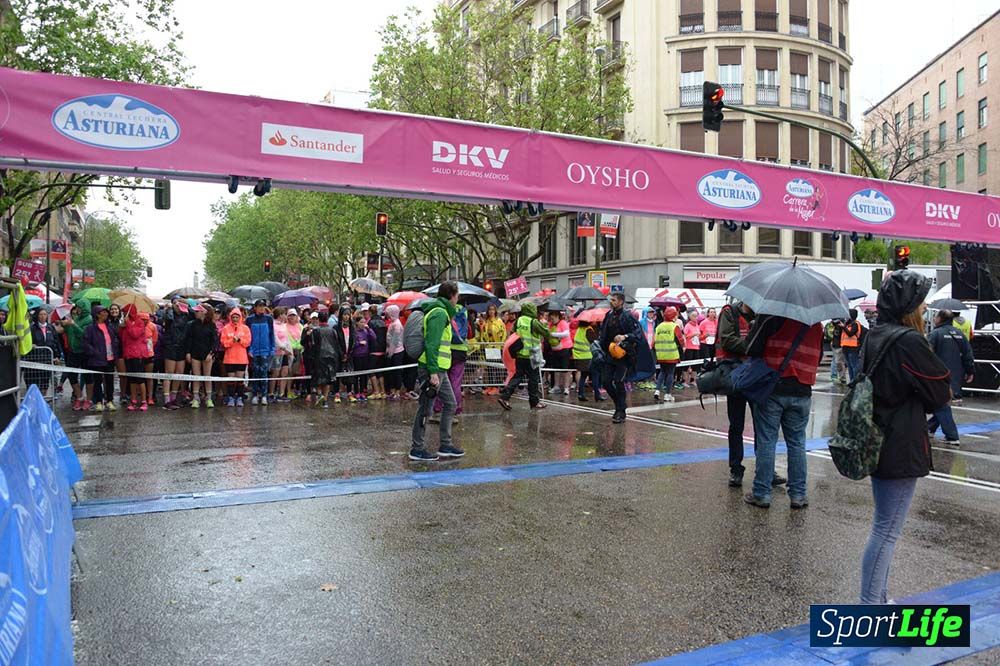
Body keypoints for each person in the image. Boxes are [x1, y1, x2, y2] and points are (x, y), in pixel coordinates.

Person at [859, 270, 951, 604]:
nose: (926, 307)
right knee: (885, 532)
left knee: (883, 527)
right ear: (909, 306)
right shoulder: (909, 341)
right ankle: (871, 609)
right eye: (921, 301)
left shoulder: (876, 334)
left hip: (879, 437)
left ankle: (878, 600)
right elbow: (940, 391)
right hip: (900, 443)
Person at [743, 313, 823, 510]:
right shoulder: (816, 323)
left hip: (774, 387)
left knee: (767, 442)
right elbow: (819, 356)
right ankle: (798, 495)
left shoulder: (772, 317)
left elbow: (752, 348)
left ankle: (761, 493)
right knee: (797, 443)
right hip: (803, 389)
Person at [410, 281, 464, 461]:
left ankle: (446, 445)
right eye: (457, 296)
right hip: (432, 369)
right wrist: (433, 372)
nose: (458, 300)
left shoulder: (442, 313)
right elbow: (432, 344)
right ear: (452, 296)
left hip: (440, 368)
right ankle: (417, 448)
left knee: (450, 404)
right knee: (425, 409)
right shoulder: (439, 314)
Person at [717, 300, 761, 488]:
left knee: (762, 426)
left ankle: (765, 468)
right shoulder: (729, 313)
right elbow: (726, 339)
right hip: (736, 375)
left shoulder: (761, 315)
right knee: (736, 425)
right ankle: (736, 468)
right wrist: (752, 346)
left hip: (757, 375)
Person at [497, 301, 557, 412]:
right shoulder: (533, 322)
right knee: (533, 379)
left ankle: (504, 397)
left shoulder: (519, 320)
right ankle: (534, 402)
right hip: (531, 355)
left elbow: (514, 333)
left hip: (520, 354)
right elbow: (546, 333)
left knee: (517, 377)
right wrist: (544, 325)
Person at [926, 309, 975, 444]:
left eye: (935, 316)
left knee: (942, 405)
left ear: (940, 319)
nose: (934, 319)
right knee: (944, 402)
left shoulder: (935, 334)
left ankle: (952, 436)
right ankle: (929, 428)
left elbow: (926, 354)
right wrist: (970, 371)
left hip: (939, 375)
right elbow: (968, 354)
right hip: (956, 375)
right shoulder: (960, 334)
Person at [597, 291, 642, 423]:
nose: (611, 302)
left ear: (621, 302)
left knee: (619, 381)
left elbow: (637, 334)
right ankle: (620, 404)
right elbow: (603, 333)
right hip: (609, 354)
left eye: (614, 300)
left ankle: (620, 412)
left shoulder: (628, 316)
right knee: (605, 381)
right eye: (610, 300)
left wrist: (625, 336)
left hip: (623, 355)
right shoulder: (608, 315)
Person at [432, 303, 470, 421]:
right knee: (456, 382)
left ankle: (437, 409)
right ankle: (455, 409)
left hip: (446, 350)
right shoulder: (464, 310)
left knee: (442, 382)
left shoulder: (444, 309)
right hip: (461, 351)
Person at [82, 304, 119, 412]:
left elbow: (115, 339)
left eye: (106, 312)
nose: (106, 314)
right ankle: (98, 401)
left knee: (109, 380)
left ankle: (110, 401)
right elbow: (85, 343)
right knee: (97, 381)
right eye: (103, 312)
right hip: (96, 359)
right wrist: (94, 352)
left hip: (110, 358)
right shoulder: (90, 328)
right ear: (97, 315)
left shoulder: (110, 327)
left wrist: (115, 347)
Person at [160, 298, 191, 410]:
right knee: (169, 374)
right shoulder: (169, 315)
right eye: (177, 305)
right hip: (171, 346)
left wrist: (186, 306)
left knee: (179, 373)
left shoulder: (185, 316)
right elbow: (167, 318)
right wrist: (172, 307)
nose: (179, 307)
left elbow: (193, 313)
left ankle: (173, 398)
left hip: (181, 348)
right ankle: (167, 400)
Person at [185, 305, 218, 408]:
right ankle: (196, 398)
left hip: (207, 354)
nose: (196, 313)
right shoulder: (193, 325)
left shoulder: (211, 325)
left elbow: (215, 341)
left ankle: (208, 398)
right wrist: (188, 353)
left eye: (198, 311)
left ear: (204, 312)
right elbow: (189, 339)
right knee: (196, 376)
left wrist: (211, 353)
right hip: (195, 353)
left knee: (207, 376)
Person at [119, 304, 150, 411]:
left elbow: (135, 334)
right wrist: (122, 328)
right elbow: (123, 338)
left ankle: (143, 401)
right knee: (131, 379)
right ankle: (133, 400)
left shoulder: (140, 322)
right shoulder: (126, 323)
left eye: (125, 312)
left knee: (140, 379)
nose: (123, 314)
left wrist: (127, 323)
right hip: (128, 354)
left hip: (138, 354)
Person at [245, 299, 276, 405]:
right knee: (255, 372)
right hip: (253, 351)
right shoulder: (249, 320)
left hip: (265, 350)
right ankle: (254, 394)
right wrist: (249, 349)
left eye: (263, 306)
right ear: (255, 307)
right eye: (259, 306)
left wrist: (272, 348)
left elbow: (272, 334)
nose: (262, 308)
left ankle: (264, 395)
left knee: (264, 373)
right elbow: (247, 335)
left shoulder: (268, 319)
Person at [26, 307, 63, 397]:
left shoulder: (50, 327)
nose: (43, 316)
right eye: (41, 314)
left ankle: (42, 400)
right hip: (35, 360)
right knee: (34, 382)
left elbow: (56, 342)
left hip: (47, 359)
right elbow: (27, 341)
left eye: (45, 314)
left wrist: (57, 356)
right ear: (37, 316)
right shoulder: (32, 328)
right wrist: (31, 345)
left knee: (45, 382)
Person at [653, 306, 685, 403]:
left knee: (662, 372)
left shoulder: (659, 326)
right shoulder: (674, 326)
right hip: (671, 353)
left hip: (661, 354)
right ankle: (667, 394)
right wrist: (683, 348)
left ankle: (657, 390)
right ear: (673, 316)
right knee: (670, 373)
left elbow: (654, 341)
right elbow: (680, 339)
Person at [221, 307, 251, 407]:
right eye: (233, 317)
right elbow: (224, 343)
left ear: (240, 317)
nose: (235, 319)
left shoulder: (245, 328)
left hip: (241, 358)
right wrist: (232, 341)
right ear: (230, 317)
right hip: (229, 358)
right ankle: (230, 397)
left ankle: (239, 397)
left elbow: (247, 343)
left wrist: (240, 340)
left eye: (237, 317)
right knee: (230, 380)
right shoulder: (226, 328)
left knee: (239, 379)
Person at [309, 311, 339, 407]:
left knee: (318, 378)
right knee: (328, 379)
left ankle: (320, 394)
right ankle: (325, 400)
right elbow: (336, 344)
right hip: (331, 356)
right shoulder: (333, 330)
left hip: (319, 356)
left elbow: (312, 345)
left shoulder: (316, 331)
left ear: (319, 319)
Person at [60, 304, 88, 410]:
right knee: (72, 376)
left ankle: (88, 399)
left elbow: (83, 334)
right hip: (72, 351)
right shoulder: (70, 321)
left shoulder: (87, 320)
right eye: (74, 310)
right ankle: (79, 396)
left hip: (84, 351)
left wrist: (73, 325)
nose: (76, 312)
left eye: (78, 309)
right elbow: (62, 331)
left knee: (87, 377)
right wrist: (62, 325)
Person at [547, 310, 573, 395]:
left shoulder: (563, 323)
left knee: (565, 369)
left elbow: (566, 334)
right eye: (550, 318)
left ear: (557, 316)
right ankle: (556, 386)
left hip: (564, 349)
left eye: (553, 318)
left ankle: (566, 388)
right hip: (555, 350)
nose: (552, 320)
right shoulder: (551, 325)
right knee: (556, 369)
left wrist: (553, 334)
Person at [572, 320, 598, 401]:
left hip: (578, 356)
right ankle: (597, 394)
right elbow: (593, 340)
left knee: (583, 376)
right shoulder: (588, 330)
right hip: (587, 356)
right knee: (595, 374)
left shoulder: (579, 329)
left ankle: (581, 394)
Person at [335, 305, 355, 403]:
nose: (346, 317)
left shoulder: (352, 327)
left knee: (350, 373)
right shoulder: (336, 327)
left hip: (349, 354)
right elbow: (336, 342)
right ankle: (337, 393)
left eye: (348, 315)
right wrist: (341, 354)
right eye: (344, 314)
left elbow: (354, 340)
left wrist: (349, 353)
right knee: (338, 373)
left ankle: (349, 392)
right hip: (339, 355)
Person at [351, 315, 374, 402]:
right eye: (361, 322)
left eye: (364, 322)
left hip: (365, 355)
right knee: (357, 375)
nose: (363, 324)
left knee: (364, 375)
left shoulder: (366, 331)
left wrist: (369, 329)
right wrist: (359, 343)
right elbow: (352, 344)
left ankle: (363, 391)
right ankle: (356, 391)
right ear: (357, 323)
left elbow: (373, 337)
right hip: (357, 355)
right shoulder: (354, 332)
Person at [384, 305, 405, 401]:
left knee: (397, 372)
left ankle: (397, 391)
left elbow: (395, 340)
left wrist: (390, 352)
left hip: (397, 352)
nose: (386, 315)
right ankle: (393, 390)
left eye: (388, 313)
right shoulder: (393, 323)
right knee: (392, 372)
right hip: (392, 351)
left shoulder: (397, 324)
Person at [368, 305, 387, 399]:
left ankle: (376, 391)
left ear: (370, 313)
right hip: (382, 349)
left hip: (373, 350)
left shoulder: (370, 323)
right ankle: (383, 391)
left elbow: (370, 336)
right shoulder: (383, 322)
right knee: (380, 371)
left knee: (371, 371)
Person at [840, 309, 863, 382]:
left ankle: (855, 381)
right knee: (849, 366)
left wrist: (844, 327)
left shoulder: (855, 324)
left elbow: (850, 334)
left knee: (854, 365)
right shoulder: (847, 324)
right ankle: (851, 380)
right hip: (846, 347)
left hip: (853, 348)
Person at [681, 312, 702, 387]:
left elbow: (699, 336)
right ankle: (684, 381)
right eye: (694, 316)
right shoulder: (687, 325)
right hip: (689, 347)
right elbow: (685, 336)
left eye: (696, 316)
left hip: (696, 346)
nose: (696, 318)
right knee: (686, 365)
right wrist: (693, 334)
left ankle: (693, 380)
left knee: (696, 365)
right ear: (690, 317)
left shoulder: (697, 325)